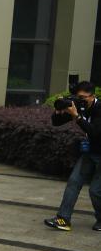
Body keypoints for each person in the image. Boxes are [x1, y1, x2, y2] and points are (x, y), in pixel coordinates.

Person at [44, 81, 101, 232]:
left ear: (93, 96)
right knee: (73, 182)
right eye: (78, 97)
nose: (80, 100)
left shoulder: (99, 108)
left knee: (95, 190)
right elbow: (56, 123)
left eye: (84, 98)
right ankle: (63, 219)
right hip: (90, 153)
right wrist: (59, 110)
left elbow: (95, 132)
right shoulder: (80, 106)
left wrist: (77, 116)